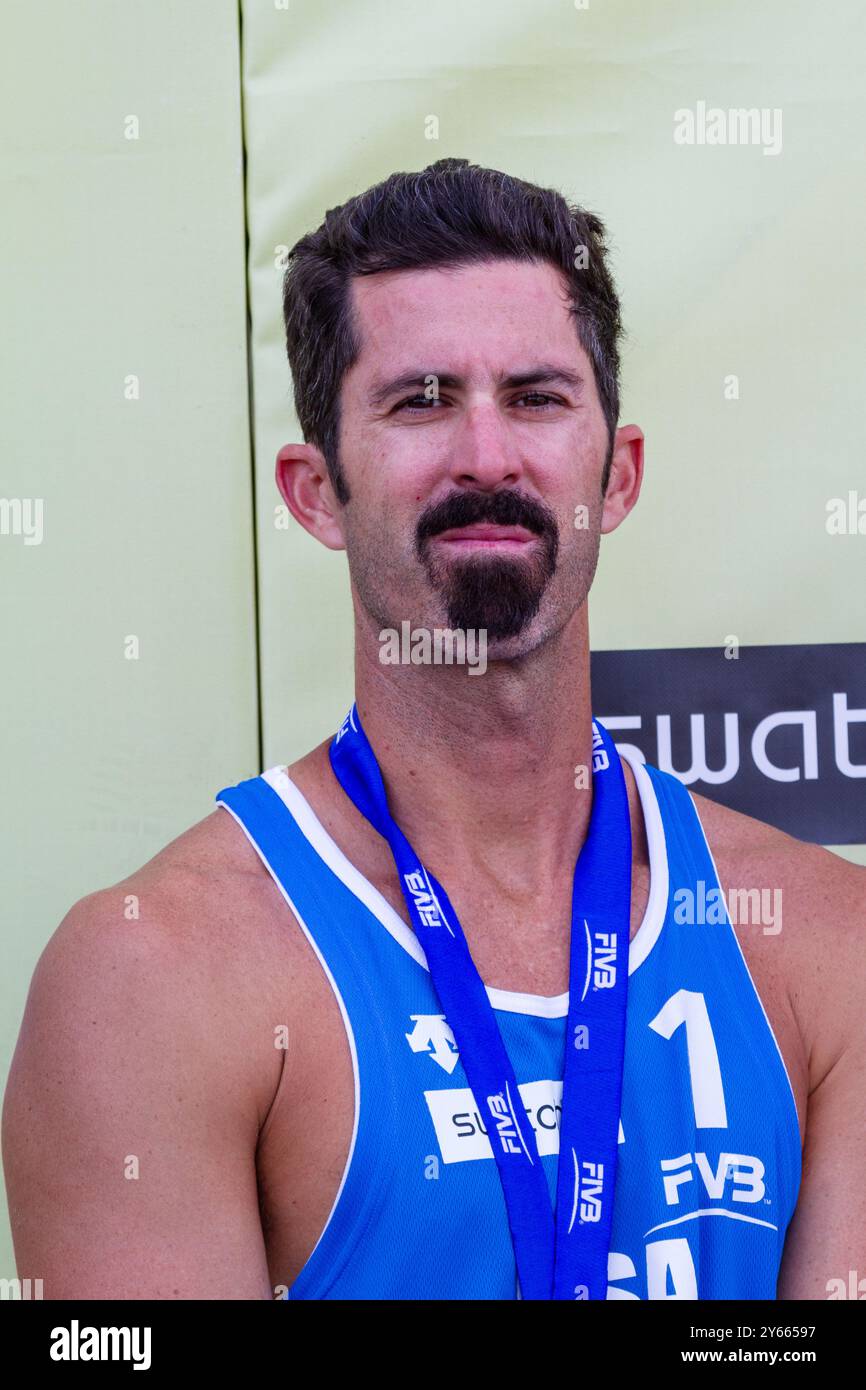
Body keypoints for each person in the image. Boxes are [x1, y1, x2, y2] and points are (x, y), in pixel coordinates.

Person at [4, 159, 864, 1300]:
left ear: (615, 476)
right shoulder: (149, 976)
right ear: (315, 492)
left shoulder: (822, 942)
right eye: (420, 400)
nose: (486, 458)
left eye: (536, 397)